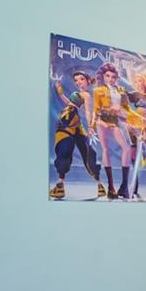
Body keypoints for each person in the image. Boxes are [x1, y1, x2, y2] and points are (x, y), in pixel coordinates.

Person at [49, 70, 105, 200]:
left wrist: (91, 127)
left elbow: (89, 112)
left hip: (71, 122)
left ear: (87, 80)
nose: (78, 82)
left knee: (86, 152)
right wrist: (59, 90)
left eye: (81, 79)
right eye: (76, 80)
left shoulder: (87, 95)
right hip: (67, 120)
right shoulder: (78, 94)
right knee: (65, 150)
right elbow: (70, 104)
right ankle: (60, 184)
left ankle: (99, 185)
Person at [92, 62, 133, 199]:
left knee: (126, 148)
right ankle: (111, 187)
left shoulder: (121, 90)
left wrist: (129, 118)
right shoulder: (98, 91)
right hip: (102, 120)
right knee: (105, 149)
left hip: (116, 120)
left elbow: (127, 108)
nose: (110, 79)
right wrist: (99, 122)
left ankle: (124, 186)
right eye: (108, 76)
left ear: (116, 77)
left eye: (113, 77)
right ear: (103, 76)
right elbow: (96, 110)